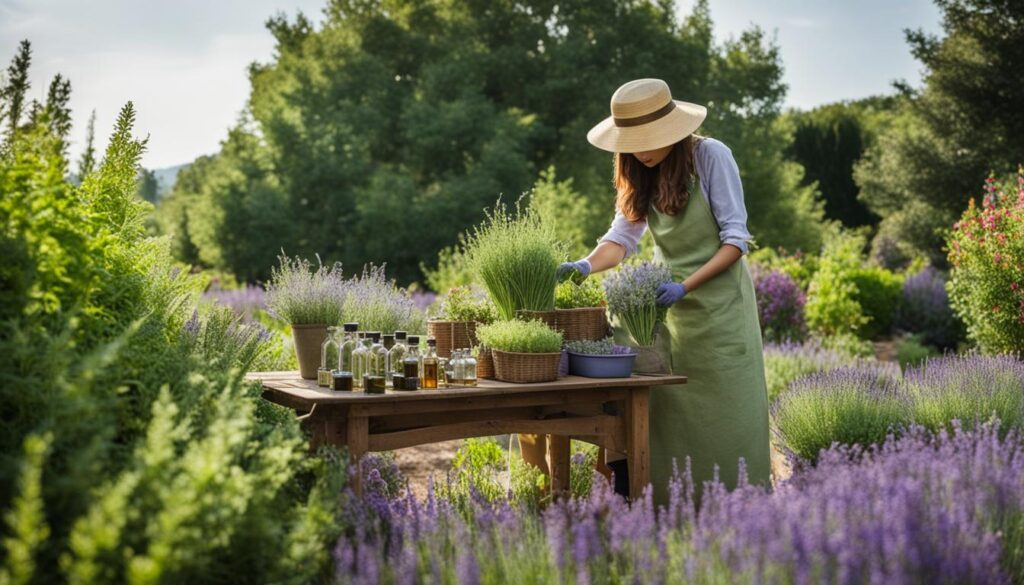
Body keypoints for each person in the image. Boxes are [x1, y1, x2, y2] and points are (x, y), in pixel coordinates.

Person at [557, 78, 770, 504]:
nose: (642, 150)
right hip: (668, 311)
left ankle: (735, 509)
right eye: (632, 142)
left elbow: (735, 241)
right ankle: (653, 503)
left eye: (648, 139)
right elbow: (621, 239)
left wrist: (684, 286)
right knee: (664, 408)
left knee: (722, 417)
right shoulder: (639, 169)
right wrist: (584, 265)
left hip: (718, 308)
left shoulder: (711, 156)